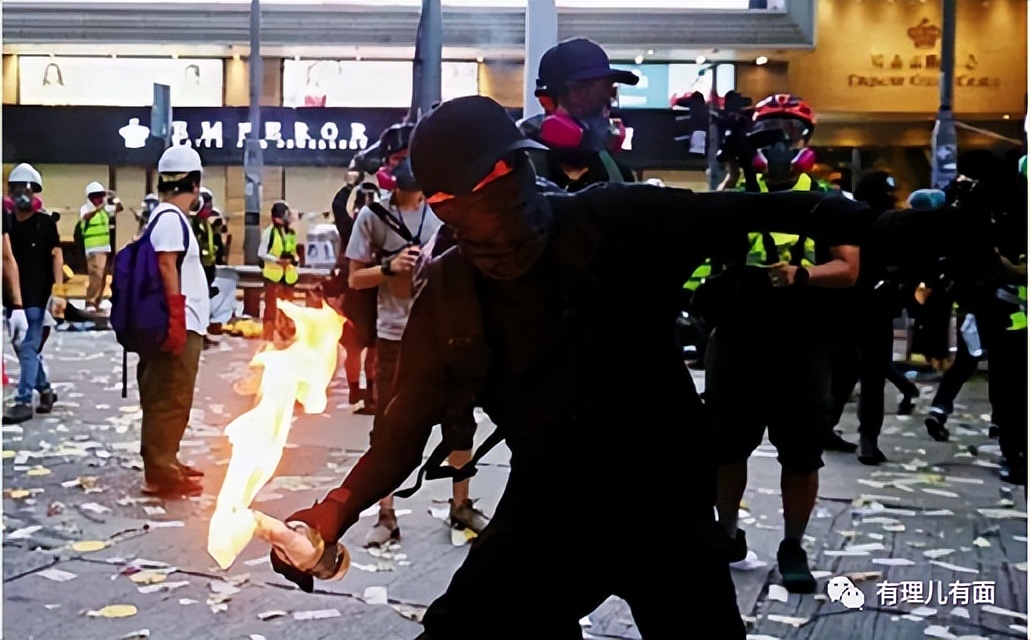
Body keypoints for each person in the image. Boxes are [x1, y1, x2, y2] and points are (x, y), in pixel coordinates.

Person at [267, 95, 916, 637]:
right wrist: (333, 512)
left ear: (524, 172)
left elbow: (749, 210)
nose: (499, 237)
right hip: (553, 509)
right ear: (443, 211)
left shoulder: (619, 221)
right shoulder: (450, 296)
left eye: (505, 203)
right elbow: (401, 434)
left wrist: (861, 221)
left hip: (667, 507)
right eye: (471, 220)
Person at [700, 93, 862, 593]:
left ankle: (793, 544)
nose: (780, 144)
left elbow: (849, 268)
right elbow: (700, 246)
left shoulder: (829, 203)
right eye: (769, 132)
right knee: (726, 449)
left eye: (790, 132)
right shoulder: (736, 196)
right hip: (736, 340)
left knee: (801, 453)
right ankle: (725, 534)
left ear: (807, 140)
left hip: (802, 344)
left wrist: (802, 274)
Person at [344, 122, 489, 546]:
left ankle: (460, 506)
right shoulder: (372, 217)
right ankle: (386, 514)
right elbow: (354, 279)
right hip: (394, 337)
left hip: (448, 333)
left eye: (408, 158)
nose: (403, 168)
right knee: (389, 431)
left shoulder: (446, 207)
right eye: (394, 161)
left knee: (460, 425)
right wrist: (388, 269)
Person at [827, 171, 921, 465]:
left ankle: (825, 428)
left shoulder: (848, 218)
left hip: (845, 304)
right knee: (871, 375)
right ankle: (868, 441)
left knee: (845, 372)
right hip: (876, 307)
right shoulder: (894, 223)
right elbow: (908, 266)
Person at [137, 145, 211, 498]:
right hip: (176, 323)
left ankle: (168, 458)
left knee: (174, 394)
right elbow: (167, 265)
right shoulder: (169, 218)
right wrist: (177, 316)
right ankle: (160, 473)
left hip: (182, 321)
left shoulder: (168, 216)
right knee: (169, 396)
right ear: (194, 183)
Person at [519, 38, 636, 190]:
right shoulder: (516, 172)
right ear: (546, 101)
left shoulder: (620, 176)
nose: (597, 103)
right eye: (583, 91)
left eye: (607, 91)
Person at [3, 163, 63, 425]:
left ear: (35, 191)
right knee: (23, 349)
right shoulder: (8, 224)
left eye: (25, 188)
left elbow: (56, 255)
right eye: (15, 189)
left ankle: (24, 400)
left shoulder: (45, 224)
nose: (20, 194)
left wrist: (59, 292)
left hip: (38, 298)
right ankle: (46, 390)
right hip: (13, 299)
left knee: (28, 347)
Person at [331, 182, 378, 416]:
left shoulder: (351, 225)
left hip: (358, 293)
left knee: (356, 348)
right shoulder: (382, 224)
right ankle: (369, 393)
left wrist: (350, 183)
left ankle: (357, 390)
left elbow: (338, 206)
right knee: (370, 347)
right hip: (372, 292)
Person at [259, 201, 299, 341]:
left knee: (288, 309)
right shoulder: (269, 233)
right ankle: (267, 339)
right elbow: (261, 253)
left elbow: (292, 250)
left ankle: (286, 338)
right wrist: (277, 260)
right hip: (273, 276)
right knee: (271, 310)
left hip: (287, 277)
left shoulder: (290, 232)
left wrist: (293, 260)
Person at [79, 181, 115, 313]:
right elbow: (87, 217)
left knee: (104, 276)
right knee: (96, 275)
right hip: (93, 247)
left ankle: (97, 301)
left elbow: (119, 208)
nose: (99, 199)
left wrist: (112, 197)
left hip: (104, 247)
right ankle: (90, 301)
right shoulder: (85, 208)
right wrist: (100, 207)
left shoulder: (105, 209)